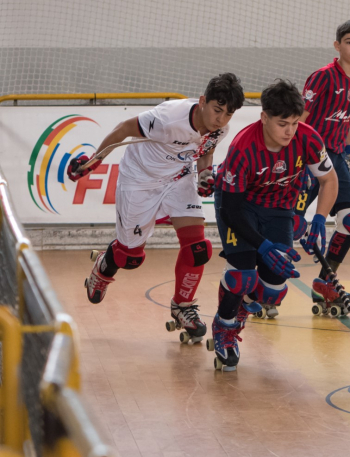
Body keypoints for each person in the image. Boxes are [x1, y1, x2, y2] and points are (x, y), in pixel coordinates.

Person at [67, 73, 245, 344]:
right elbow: (123, 129)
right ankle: (104, 266)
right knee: (130, 257)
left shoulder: (220, 129)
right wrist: (93, 162)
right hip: (140, 178)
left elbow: (205, 151)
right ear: (202, 102)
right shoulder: (167, 118)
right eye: (217, 110)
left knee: (198, 248)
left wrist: (206, 174)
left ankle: (183, 307)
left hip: (178, 178)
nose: (220, 119)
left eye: (228, 115)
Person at [210, 79, 338, 371]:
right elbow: (231, 211)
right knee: (242, 274)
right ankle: (225, 325)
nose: (290, 131)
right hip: (238, 206)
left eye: (294, 123)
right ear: (264, 117)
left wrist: (318, 218)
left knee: (273, 291)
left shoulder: (307, 138)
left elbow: (328, 180)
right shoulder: (242, 148)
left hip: (279, 206)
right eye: (283, 124)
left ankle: (243, 303)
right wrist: (262, 245)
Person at [293, 20, 350, 313]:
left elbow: (345, 119)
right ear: (337, 46)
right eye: (348, 42)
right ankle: (261, 284)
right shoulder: (323, 77)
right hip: (309, 158)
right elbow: (299, 119)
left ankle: (325, 281)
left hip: (336, 157)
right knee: (292, 224)